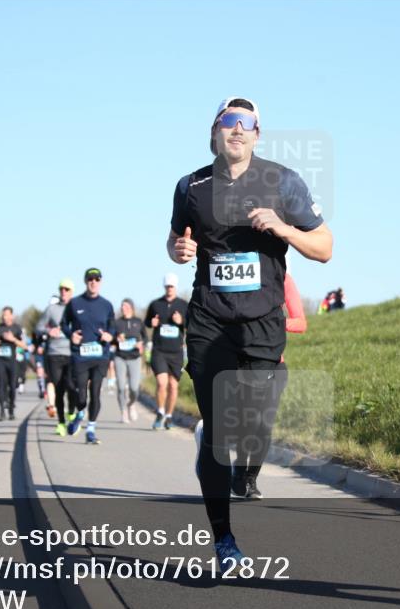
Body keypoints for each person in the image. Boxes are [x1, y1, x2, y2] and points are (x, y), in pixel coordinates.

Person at [168, 96, 332, 570]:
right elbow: (176, 239)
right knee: (222, 433)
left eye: (247, 123)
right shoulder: (191, 186)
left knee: (254, 422)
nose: (237, 129)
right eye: (228, 121)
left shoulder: (282, 181)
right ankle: (223, 542)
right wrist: (178, 249)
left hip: (263, 322)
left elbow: (324, 247)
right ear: (214, 132)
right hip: (209, 321)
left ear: (257, 134)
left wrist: (284, 229)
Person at [228, 270, 306, 499]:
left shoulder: (283, 279)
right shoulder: (242, 276)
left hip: (274, 366)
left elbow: (301, 322)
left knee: (264, 425)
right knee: (248, 423)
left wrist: (273, 324)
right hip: (244, 364)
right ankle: (239, 468)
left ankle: (251, 478)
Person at [62, 268, 115, 445]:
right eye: (90, 279)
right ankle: (80, 413)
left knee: (95, 392)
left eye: (97, 279)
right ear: (85, 282)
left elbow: (112, 326)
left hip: (101, 355)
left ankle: (91, 429)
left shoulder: (106, 305)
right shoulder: (75, 303)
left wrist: (109, 335)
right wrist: (71, 335)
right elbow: (63, 324)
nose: (94, 282)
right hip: (81, 356)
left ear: (100, 282)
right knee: (82, 395)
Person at [145, 273, 189, 430]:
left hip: (176, 351)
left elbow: (191, 324)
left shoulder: (183, 305)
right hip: (159, 350)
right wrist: (152, 322)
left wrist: (182, 321)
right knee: (161, 383)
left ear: (175, 287)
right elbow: (147, 323)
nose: (169, 289)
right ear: (164, 287)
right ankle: (160, 412)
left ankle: (169, 416)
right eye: (167, 286)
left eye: (172, 286)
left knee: (173, 386)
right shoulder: (155, 304)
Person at [37, 282, 77, 435]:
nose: (64, 292)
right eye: (61, 289)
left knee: (72, 387)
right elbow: (38, 327)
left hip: (71, 353)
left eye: (67, 289)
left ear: (72, 291)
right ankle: (61, 422)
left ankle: (71, 411)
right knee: (59, 389)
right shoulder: (52, 309)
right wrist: (48, 330)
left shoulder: (76, 307)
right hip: (54, 353)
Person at [113, 298, 147, 423]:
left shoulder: (138, 322)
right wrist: (116, 339)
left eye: (126, 306)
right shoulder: (117, 323)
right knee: (121, 387)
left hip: (135, 358)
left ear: (131, 308)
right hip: (120, 357)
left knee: (134, 388)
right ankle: (123, 412)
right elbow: (111, 338)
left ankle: (131, 404)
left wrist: (141, 344)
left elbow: (145, 338)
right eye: (122, 306)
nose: (123, 308)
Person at [0, 306, 27, 421]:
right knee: (1, 386)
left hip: (12, 361)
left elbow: (24, 346)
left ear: (12, 315)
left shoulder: (17, 328)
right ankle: (2, 411)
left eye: (7, 314)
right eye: (3, 314)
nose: (5, 317)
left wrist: (13, 339)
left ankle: (11, 410)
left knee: (12, 386)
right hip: (1, 361)